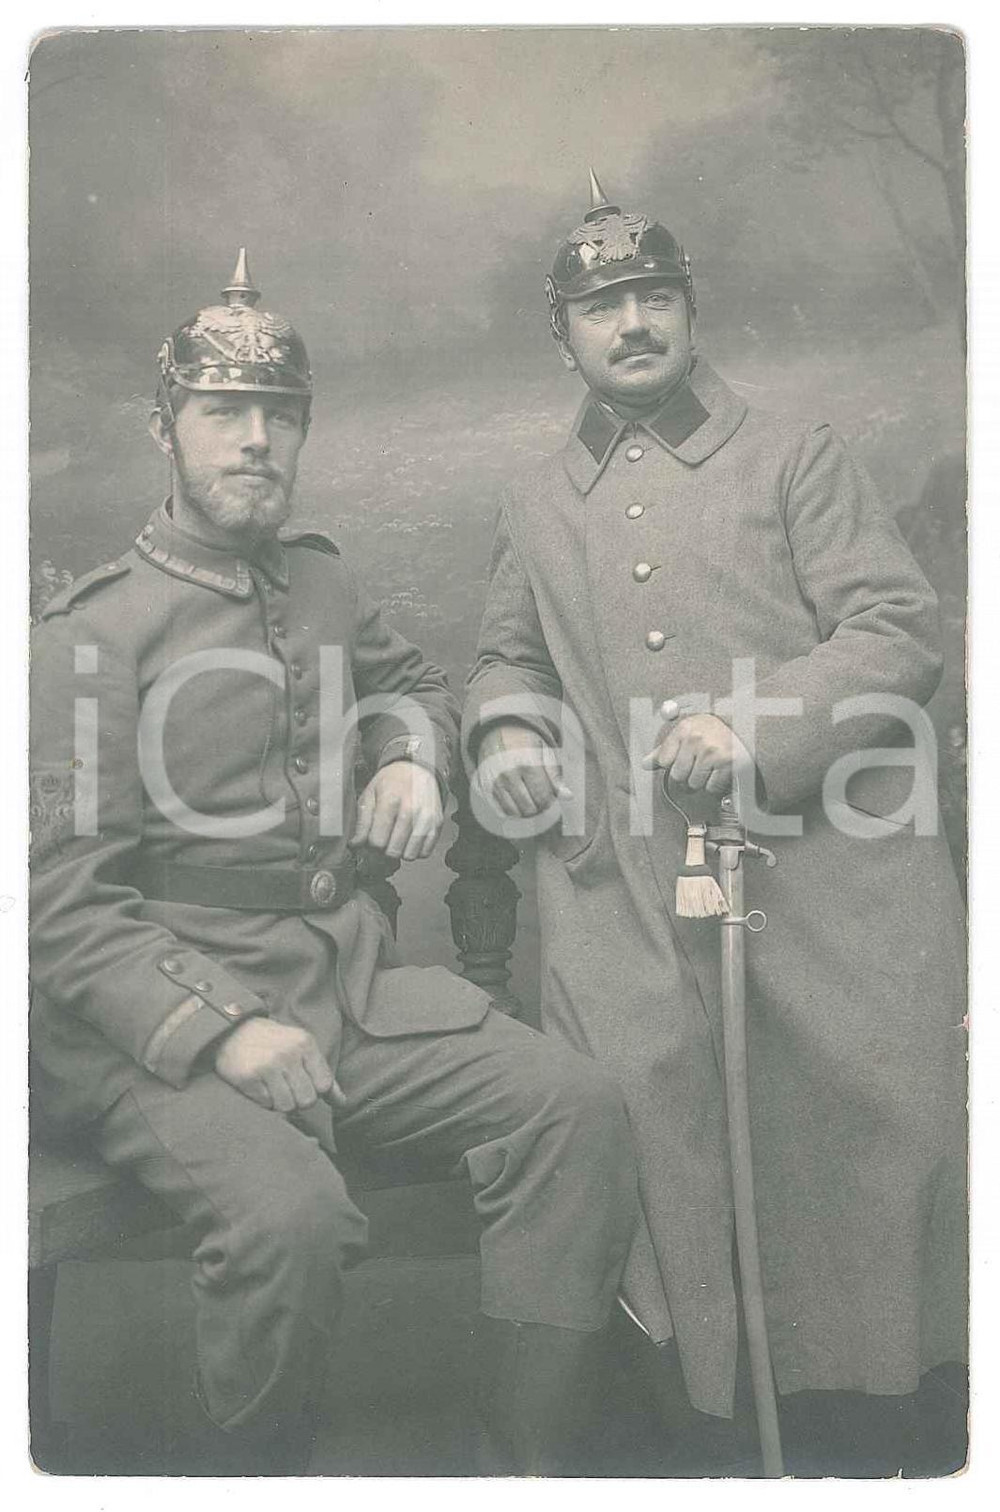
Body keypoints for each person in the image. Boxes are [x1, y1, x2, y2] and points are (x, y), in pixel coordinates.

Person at [29, 251, 639, 1476]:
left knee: (575, 1111)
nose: (255, 441)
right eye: (223, 414)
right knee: (289, 1217)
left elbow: (410, 684)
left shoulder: (317, 580)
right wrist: (226, 1035)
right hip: (161, 1036)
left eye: (278, 417)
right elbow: (56, 911)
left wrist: (408, 757)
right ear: (167, 430)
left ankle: (529, 1465)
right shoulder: (91, 632)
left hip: (345, 995)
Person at [464, 176, 967, 1475]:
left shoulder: (790, 452)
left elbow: (901, 629)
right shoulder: (534, 498)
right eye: (601, 306)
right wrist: (510, 732)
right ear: (560, 336)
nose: (631, 323)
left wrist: (753, 722)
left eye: (652, 297)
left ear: (688, 309)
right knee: (652, 1128)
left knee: (862, 1129)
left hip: (830, 874)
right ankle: (703, 1440)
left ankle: (878, 1434)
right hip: (637, 893)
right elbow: (506, 658)